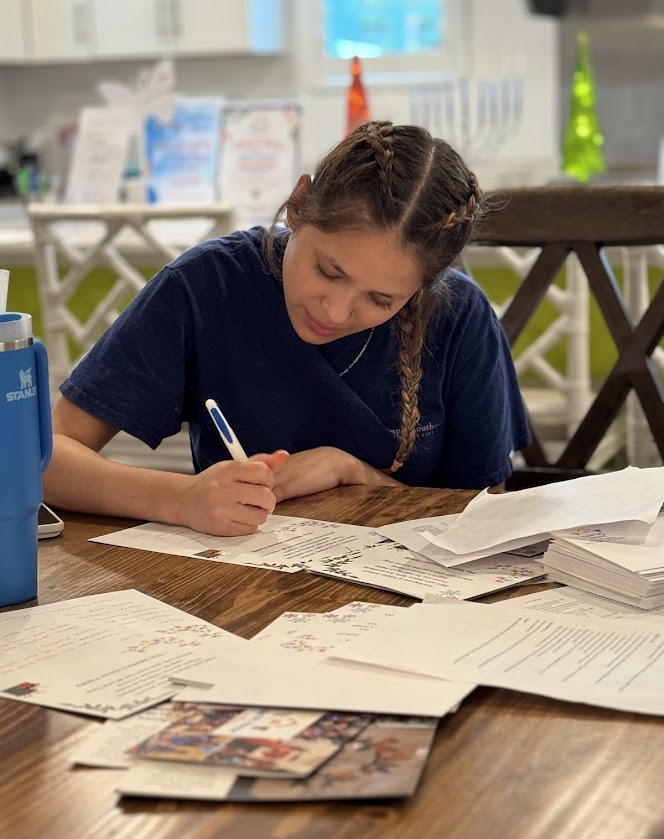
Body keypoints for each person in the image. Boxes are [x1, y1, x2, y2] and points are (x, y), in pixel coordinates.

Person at [43, 121, 529, 537]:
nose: (336, 312)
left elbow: (482, 519)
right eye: (328, 271)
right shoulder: (207, 286)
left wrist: (350, 471)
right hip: (236, 594)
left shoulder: (460, 317)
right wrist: (181, 499)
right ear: (298, 205)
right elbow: (42, 460)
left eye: (381, 299)